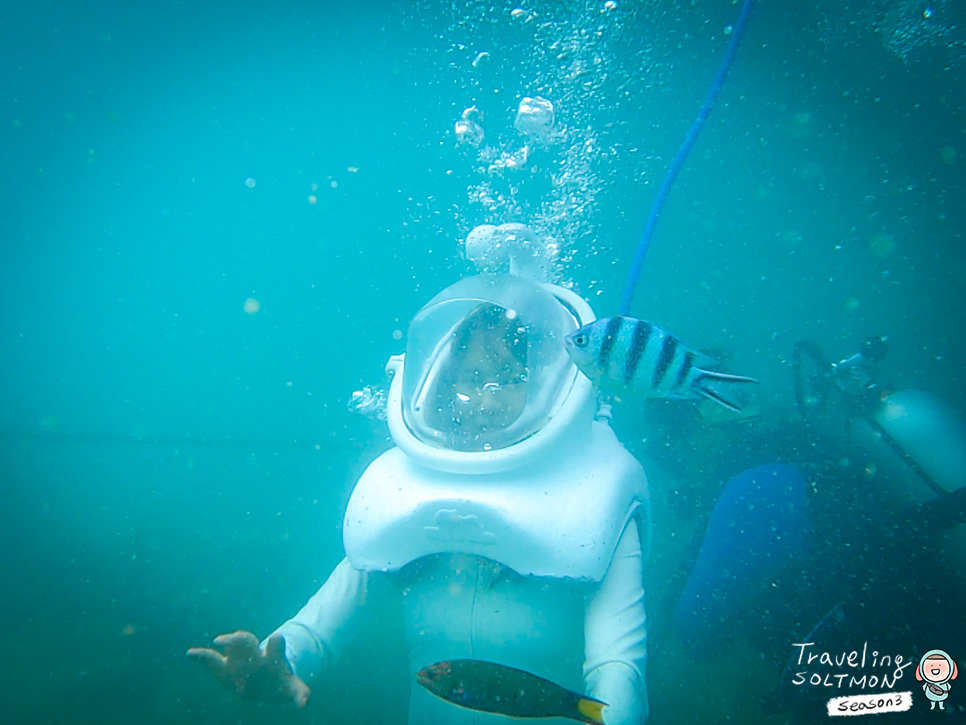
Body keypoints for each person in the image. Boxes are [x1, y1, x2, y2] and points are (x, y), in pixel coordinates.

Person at [189, 270, 652, 724]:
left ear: (553, 381)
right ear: (442, 384)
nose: (486, 401)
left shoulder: (593, 495)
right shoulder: (408, 487)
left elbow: (618, 669)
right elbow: (318, 626)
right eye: (471, 378)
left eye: (510, 377)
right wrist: (281, 665)